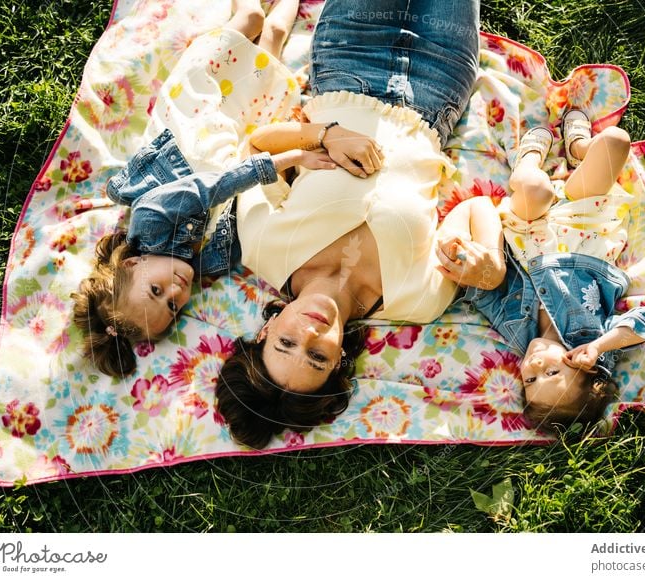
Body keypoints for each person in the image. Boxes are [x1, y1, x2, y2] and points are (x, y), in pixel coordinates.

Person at [216, 0, 506, 449]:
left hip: (350, 57)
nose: (308, 333)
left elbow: (256, 146)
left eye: (286, 343)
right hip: (438, 87)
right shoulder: (417, 300)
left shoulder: (262, 247)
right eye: (315, 356)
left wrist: (327, 134)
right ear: (336, 363)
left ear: (265, 331)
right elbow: (476, 211)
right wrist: (491, 264)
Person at [71, 0, 327, 377]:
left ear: (132, 263)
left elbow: (212, 187)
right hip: (239, 137)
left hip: (201, 114)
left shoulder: (152, 221)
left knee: (251, 20)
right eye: (173, 307)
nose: (175, 293)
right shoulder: (210, 263)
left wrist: (289, 160)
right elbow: (256, 233)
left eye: (156, 291)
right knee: (272, 37)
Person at [453, 109, 645, 430]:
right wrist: (597, 347)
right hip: (585, 228)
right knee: (616, 141)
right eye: (552, 373)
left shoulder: (516, 332)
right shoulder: (596, 334)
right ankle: (579, 146)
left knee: (534, 189)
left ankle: (528, 156)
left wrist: (466, 268)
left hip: (527, 230)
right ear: (589, 368)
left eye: (530, 379)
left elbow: (481, 290)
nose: (535, 365)